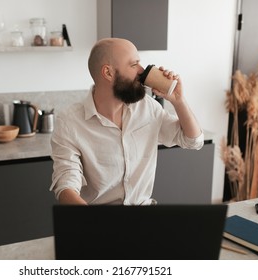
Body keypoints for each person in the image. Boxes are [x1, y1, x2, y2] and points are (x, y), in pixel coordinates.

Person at [50, 38, 204, 205]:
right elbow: (66, 185)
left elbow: (193, 141)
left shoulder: (147, 108)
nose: (142, 70)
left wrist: (178, 100)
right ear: (108, 73)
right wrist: (92, 223)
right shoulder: (70, 122)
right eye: (133, 64)